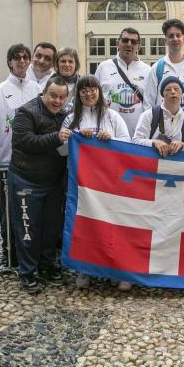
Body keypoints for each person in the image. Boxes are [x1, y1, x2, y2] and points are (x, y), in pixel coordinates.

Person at [60, 75, 131, 290]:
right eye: (83, 90)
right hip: (82, 184)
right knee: (86, 224)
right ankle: (85, 268)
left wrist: (112, 140)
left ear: (99, 92)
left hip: (110, 182)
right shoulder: (70, 119)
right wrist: (71, 137)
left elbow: (127, 145)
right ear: (78, 95)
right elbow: (62, 152)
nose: (89, 94)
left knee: (112, 224)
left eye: (93, 89)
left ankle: (116, 270)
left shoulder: (113, 117)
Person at [10, 77, 71, 294]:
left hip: (53, 182)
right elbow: (24, 141)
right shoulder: (26, 112)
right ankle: (27, 272)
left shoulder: (67, 115)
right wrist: (56, 137)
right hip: (26, 179)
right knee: (28, 228)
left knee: (50, 229)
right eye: (53, 96)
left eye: (62, 97)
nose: (57, 101)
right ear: (43, 93)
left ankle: (47, 266)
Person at [0, 43, 41, 275]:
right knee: (8, 209)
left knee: (30, 208)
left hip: (32, 161)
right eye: (16, 58)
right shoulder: (0, 90)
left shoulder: (37, 89)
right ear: (9, 62)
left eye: (24, 58)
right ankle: (8, 251)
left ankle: (30, 251)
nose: (21, 61)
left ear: (29, 61)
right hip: (6, 160)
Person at [142, 19, 184, 116]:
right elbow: (148, 103)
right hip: (163, 128)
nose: (175, 39)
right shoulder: (157, 68)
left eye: (178, 35)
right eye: (171, 36)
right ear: (165, 41)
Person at [95, 27, 151, 135]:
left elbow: (150, 105)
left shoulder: (148, 71)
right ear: (117, 43)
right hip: (108, 134)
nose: (129, 44)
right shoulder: (104, 67)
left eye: (134, 42)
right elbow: (95, 99)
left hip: (137, 135)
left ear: (139, 46)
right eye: (125, 40)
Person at [133, 76, 184, 155]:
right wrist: (154, 143)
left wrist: (182, 146)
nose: (173, 92)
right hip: (152, 164)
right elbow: (136, 141)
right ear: (162, 94)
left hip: (176, 166)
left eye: (176, 89)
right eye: (168, 89)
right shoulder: (149, 115)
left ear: (182, 93)